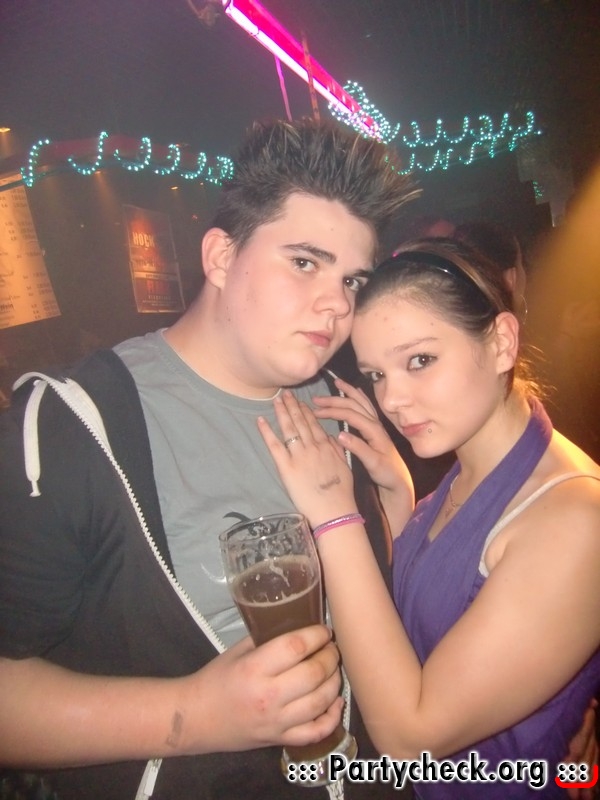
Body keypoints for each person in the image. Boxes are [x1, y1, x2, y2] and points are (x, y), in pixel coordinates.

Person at [0, 118, 415, 800]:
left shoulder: (344, 408)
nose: (336, 305)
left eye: (352, 280)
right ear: (221, 257)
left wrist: (399, 505)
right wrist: (195, 714)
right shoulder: (78, 425)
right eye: (304, 263)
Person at [259, 237, 600, 798]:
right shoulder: (473, 469)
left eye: (419, 360)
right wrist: (400, 496)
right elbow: (439, 608)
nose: (392, 399)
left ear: (501, 343)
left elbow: (408, 740)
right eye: (376, 375)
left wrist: (334, 514)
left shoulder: (573, 519)